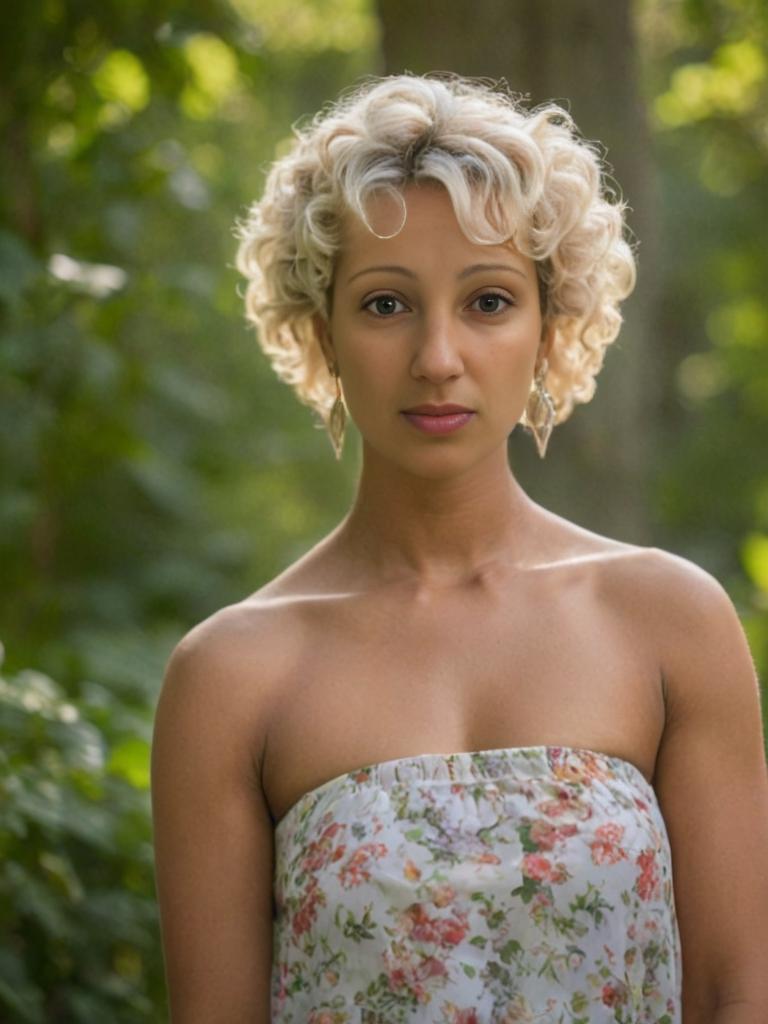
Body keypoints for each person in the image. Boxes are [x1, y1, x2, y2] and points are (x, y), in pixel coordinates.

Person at [150, 73, 768, 1023]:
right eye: (387, 306)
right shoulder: (232, 677)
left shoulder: (670, 624)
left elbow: (739, 995)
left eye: (487, 302)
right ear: (323, 332)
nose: (439, 357)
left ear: (550, 323)